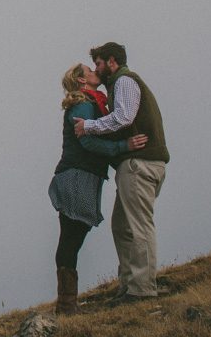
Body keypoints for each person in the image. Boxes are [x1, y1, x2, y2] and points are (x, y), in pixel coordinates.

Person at [73, 41, 170, 300]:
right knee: (122, 226)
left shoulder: (125, 81)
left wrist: (89, 126)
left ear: (112, 61)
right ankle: (130, 284)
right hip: (137, 165)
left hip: (141, 164)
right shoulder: (119, 84)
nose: (97, 68)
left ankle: (142, 289)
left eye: (99, 63)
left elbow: (125, 117)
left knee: (138, 226)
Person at [49, 62, 145, 313]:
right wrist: (123, 147)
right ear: (82, 81)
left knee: (71, 237)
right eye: (89, 71)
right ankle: (67, 305)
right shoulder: (83, 104)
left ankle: (67, 303)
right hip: (77, 176)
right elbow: (88, 141)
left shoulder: (91, 103)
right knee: (71, 237)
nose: (94, 72)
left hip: (81, 176)